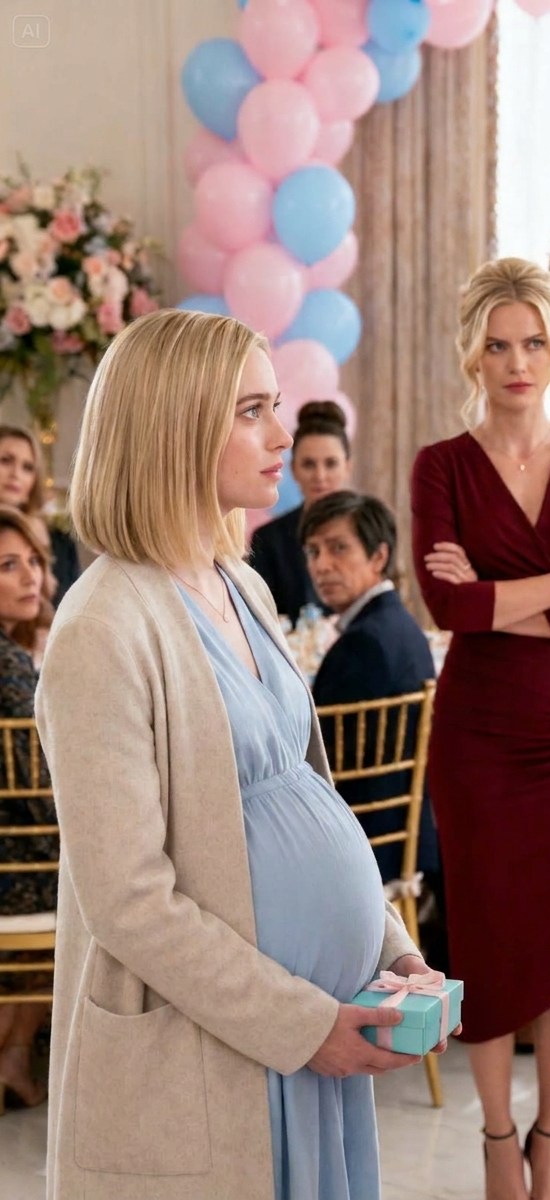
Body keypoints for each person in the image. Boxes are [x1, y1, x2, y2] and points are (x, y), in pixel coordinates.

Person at [34, 309, 451, 1200]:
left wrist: (392, 949)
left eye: (277, 407)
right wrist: (299, 1024)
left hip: (315, 1022)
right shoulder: (102, 627)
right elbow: (128, 901)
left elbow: (308, 792)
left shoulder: (244, 584)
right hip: (227, 1041)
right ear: (176, 427)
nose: (281, 436)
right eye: (252, 411)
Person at [411, 257, 550, 1200]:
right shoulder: (441, 466)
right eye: (499, 345)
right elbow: (447, 609)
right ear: (473, 353)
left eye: (533, 342)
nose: (517, 362)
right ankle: (497, 1140)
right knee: (485, 931)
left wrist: (505, 596)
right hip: (478, 735)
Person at [304, 490, 440, 885]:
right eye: (313, 551)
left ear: (379, 557)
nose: (321, 565)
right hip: (404, 834)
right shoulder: (402, 626)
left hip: (361, 847)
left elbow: (319, 764)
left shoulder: (363, 644)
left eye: (338, 548)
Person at [0, 506, 55, 1112]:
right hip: (16, 874)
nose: (29, 576)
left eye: (33, 561)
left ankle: (13, 1058)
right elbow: (40, 793)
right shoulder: (11, 666)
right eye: (8, 566)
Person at [250, 400, 352, 626]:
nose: (320, 476)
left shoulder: (370, 531)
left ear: (347, 467)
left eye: (331, 464)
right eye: (309, 464)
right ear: (293, 469)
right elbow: (259, 619)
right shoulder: (268, 540)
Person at [0, 424, 80, 606]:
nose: (16, 474)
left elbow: (75, 604)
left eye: (27, 467)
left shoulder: (59, 541)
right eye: (5, 461)